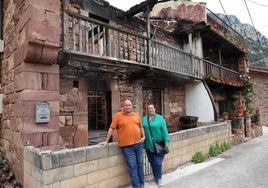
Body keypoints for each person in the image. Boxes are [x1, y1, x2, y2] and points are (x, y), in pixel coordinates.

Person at [99, 99, 146, 188]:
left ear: (132, 106)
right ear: (123, 106)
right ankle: (137, 186)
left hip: (139, 144)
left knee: (140, 165)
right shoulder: (118, 116)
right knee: (133, 167)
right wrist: (106, 140)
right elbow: (111, 129)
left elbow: (141, 127)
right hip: (127, 147)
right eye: (126, 105)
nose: (128, 106)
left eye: (129, 105)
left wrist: (144, 136)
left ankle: (142, 184)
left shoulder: (136, 115)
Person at [142, 104, 170, 187]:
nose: (150, 109)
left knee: (157, 162)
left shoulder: (160, 118)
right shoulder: (144, 119)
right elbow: (141, 129)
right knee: (151, 161)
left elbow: (165, 130)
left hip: (159, 144)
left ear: (155, 109)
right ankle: (155, 176)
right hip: (149, 144)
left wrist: (167, 141)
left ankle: (159, 178)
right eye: (149, 108)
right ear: (147, 110)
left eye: (152, 108)